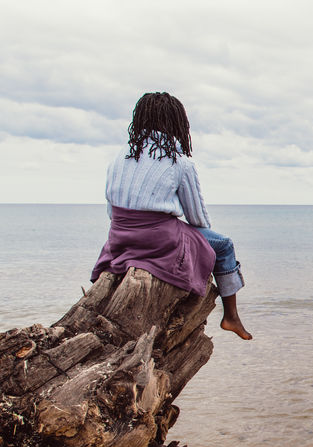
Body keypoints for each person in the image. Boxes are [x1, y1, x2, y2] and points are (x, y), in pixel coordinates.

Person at [91, 92, 253, 340]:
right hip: (159, 239)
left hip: (119, 237)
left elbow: (112, 212)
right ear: (177, 124)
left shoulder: (118, 157)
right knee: (224, 245)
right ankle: (231, 317)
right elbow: (197, 217)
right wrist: (200, 241)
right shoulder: (179, 161)